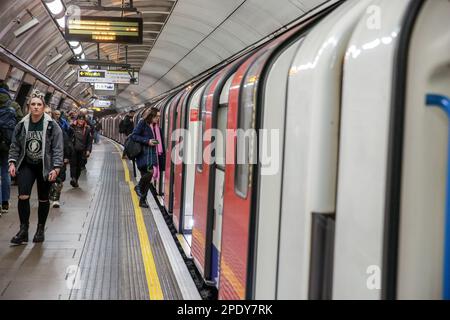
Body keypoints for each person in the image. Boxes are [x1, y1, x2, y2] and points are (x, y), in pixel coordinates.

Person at [8, 94, 63, 244]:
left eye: (39, 104)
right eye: (33, 104)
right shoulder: (22, 125)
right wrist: (12, 162)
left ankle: (40, 230)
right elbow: (15, 146)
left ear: (44, 107)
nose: (36, 107)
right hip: (27, 165)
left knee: (43, 199)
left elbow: (58, 148)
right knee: (23, 196)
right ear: (29, 107)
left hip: (45, 167)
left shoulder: (52, 125)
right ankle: (23, 230)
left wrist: (56, 168)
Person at [131, 107, 162, 208]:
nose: (158, 119)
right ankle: (138, 187)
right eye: (156, 116)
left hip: (152, 155)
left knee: (148, 180)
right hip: (143, 155)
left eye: (159, 117)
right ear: (151, 115)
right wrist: (147, 141)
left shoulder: (156, 127)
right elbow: (134, 136)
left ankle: (142, 200)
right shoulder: (142, 123)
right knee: (150, 174)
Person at [0, 82, 22, 215]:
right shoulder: (13, 105)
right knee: (5, 172)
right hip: (7, 144)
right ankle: (5, 203)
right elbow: (21, 124)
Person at [49, 110, 73, 208]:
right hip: (45, 159)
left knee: (58, 179)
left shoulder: (59, 127)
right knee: (48, 179)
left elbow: (66, 142)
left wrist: (66, 156)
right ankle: (51, 195)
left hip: (58, 157)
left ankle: (56, 198)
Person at [69, 114, 92, 188]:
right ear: (77, 120)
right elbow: (68, 138)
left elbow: (89, 141)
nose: (81, 121)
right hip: (73, 149)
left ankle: (76, 179)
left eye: (82, 119)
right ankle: (73, 178)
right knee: (73, 165)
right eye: (80, 119)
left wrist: (88, 150)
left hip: (82, 150)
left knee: (79, 166)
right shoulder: (72, 127)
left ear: (84, 120)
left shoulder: (87, 129)